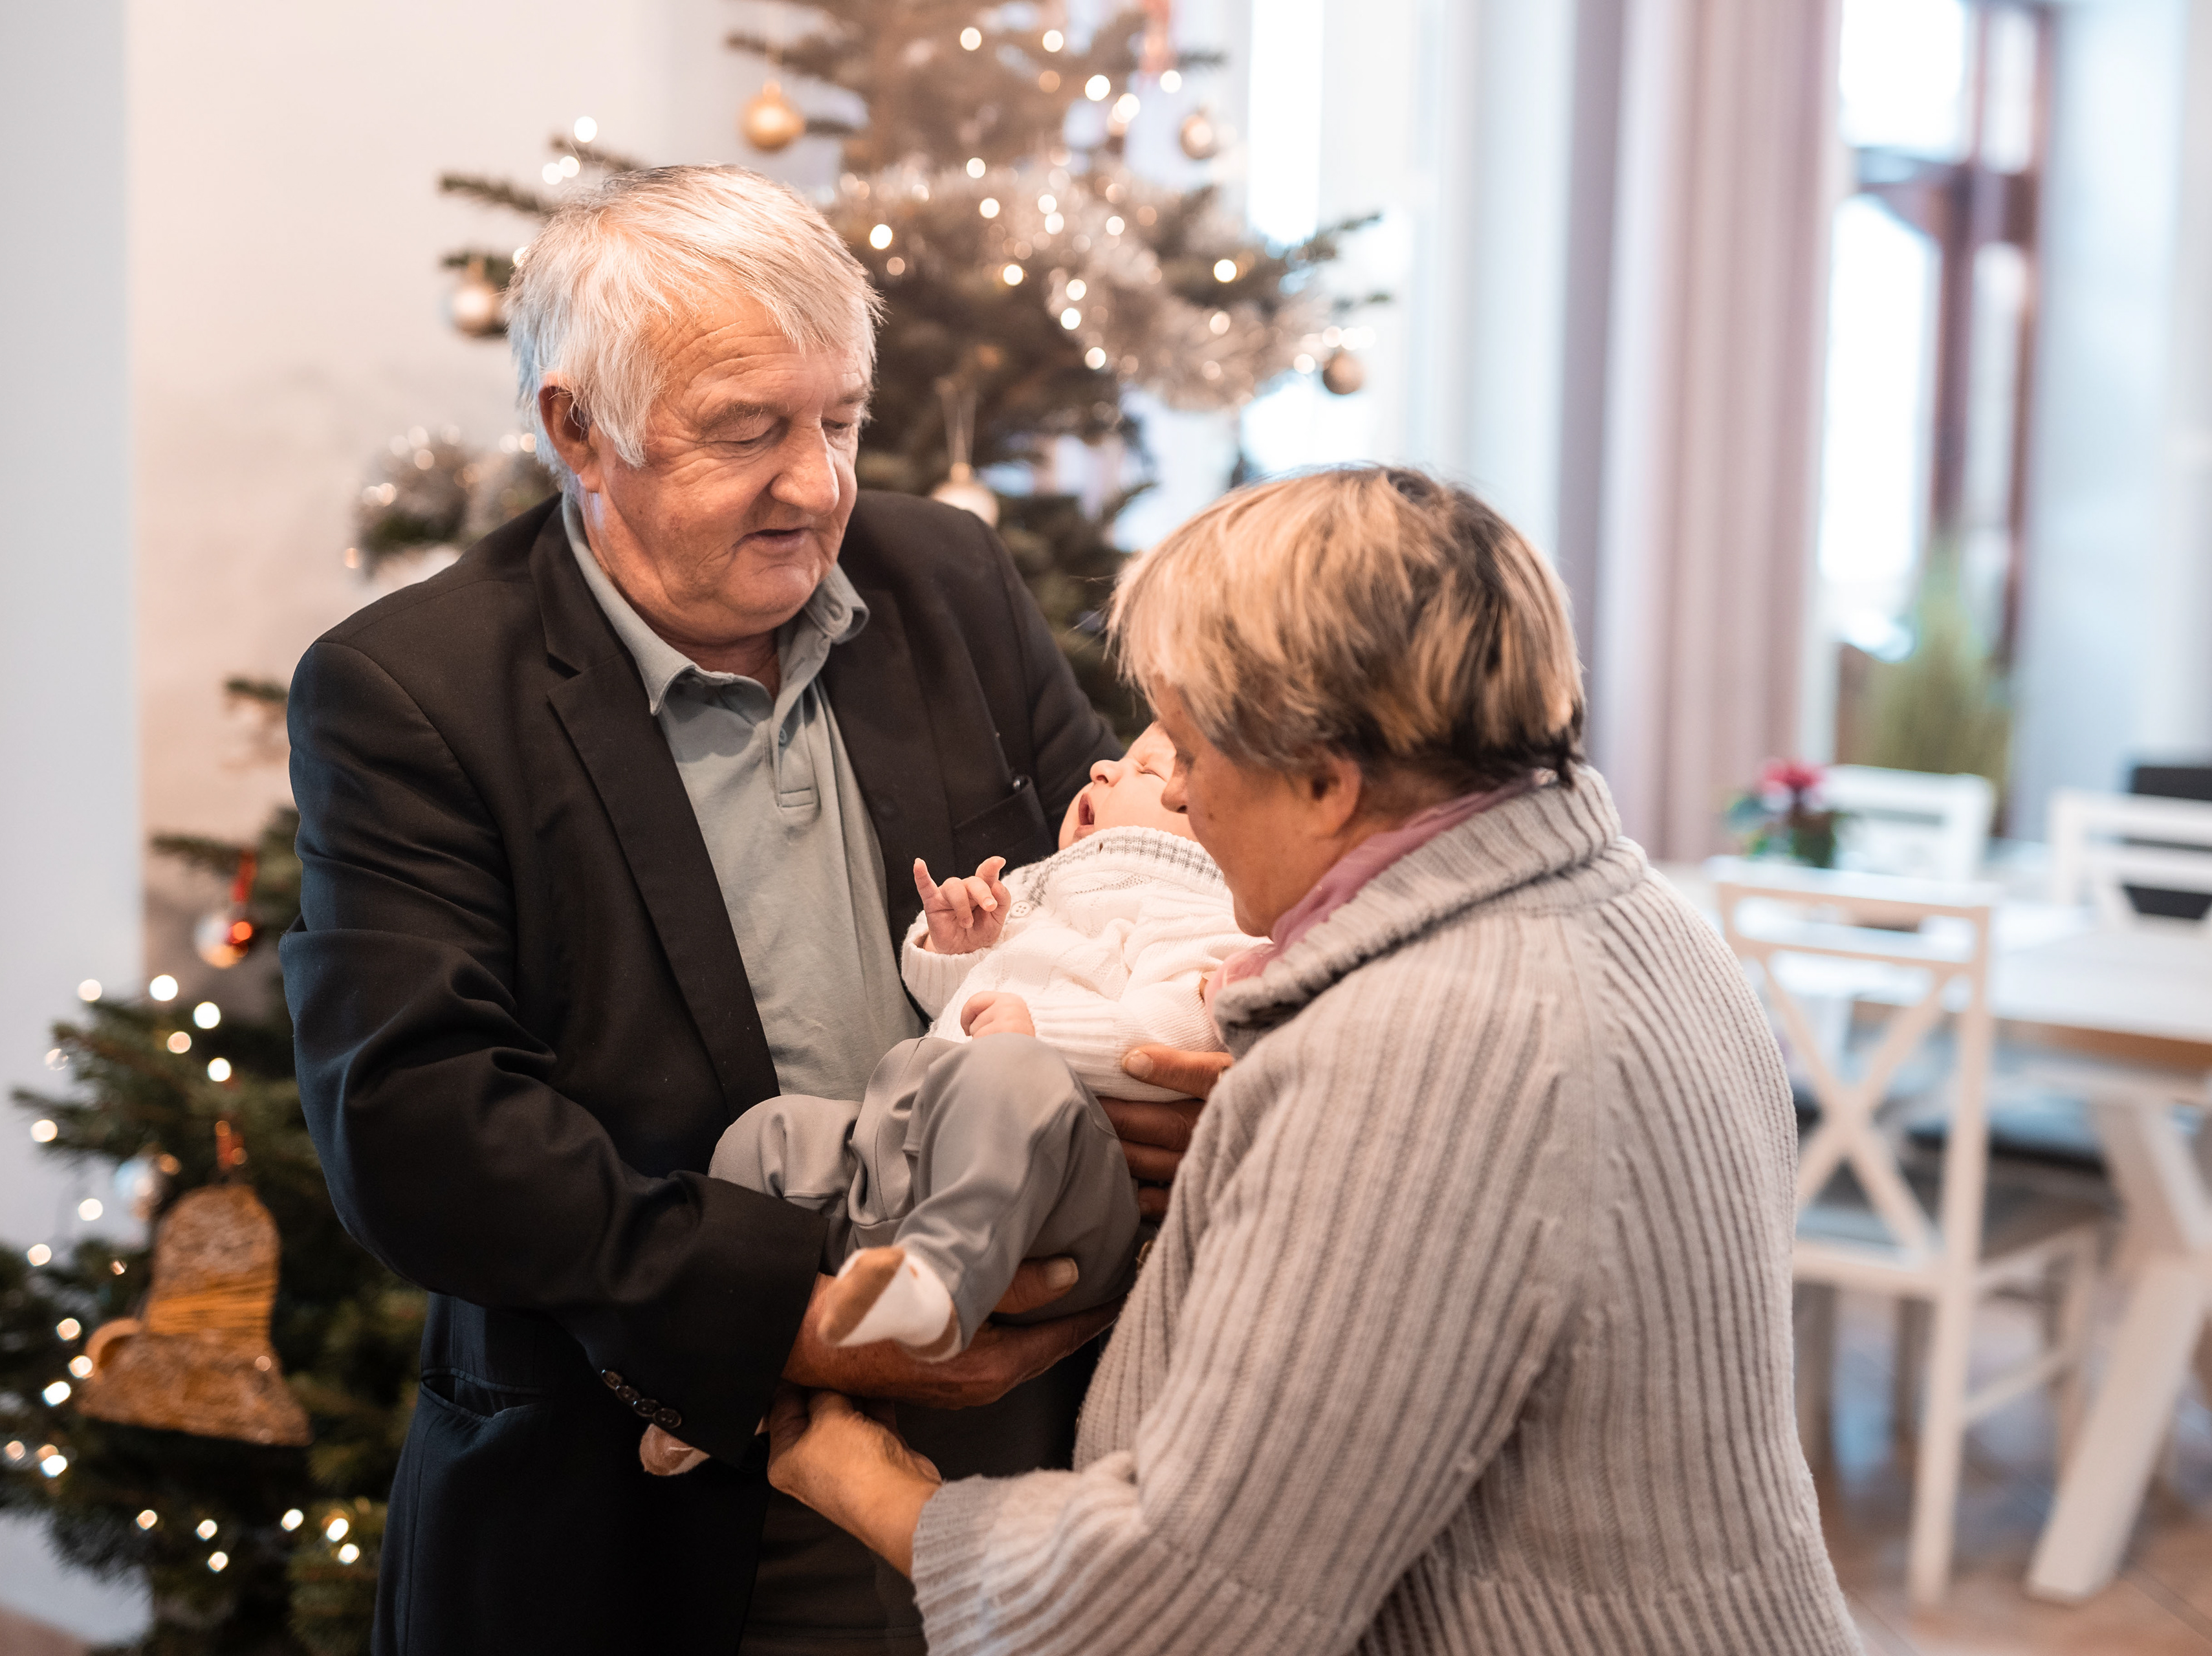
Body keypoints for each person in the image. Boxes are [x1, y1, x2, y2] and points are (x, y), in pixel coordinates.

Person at [281, 164, 1223, 1655]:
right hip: (650, 1490)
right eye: (746, 430)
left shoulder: (949, 577)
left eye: (839, 419)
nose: (818, 484)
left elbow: (1132, 877)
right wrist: (796, 1321)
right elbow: (420, 1130)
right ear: (577, 429)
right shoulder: (414, 690)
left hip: (1025, 1461)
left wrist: (1182, 1092)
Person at [764, 465, 1865, 1655]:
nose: (1178, 799)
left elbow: (1184, 1606)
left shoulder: (1419, 1048)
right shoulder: (1650, 925)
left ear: (1328, 782)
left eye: (1190, 759)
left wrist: (860, 1479)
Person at [647, 728, 1249, 1484]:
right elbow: (959, 1004)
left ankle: (934, 1285)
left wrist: (1039, 1034)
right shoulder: (1045, 886)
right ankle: (738, 1364)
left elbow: (1176, 1035)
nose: (1104, 765)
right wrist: (957, 948)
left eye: (1148, 769)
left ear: (1214, 819)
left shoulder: (1204, 908)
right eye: (1120, 757)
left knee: (1012, 1074)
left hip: (1059, 1184)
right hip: (918, 1135)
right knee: (766, 1135)